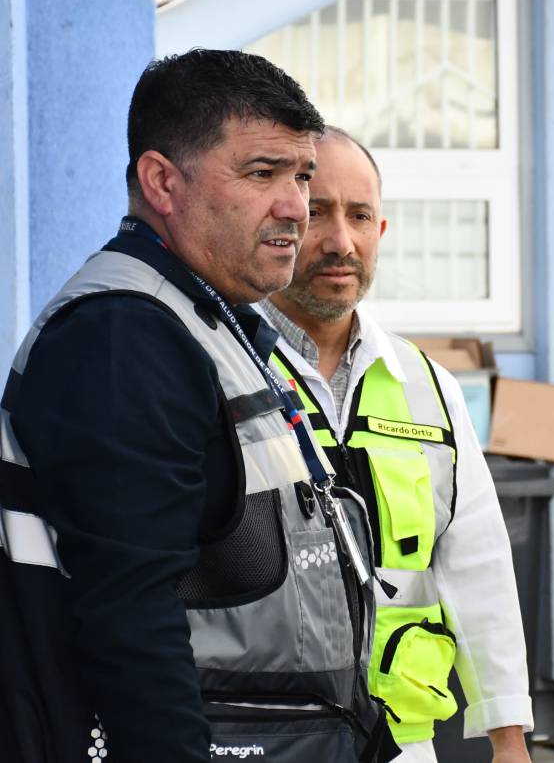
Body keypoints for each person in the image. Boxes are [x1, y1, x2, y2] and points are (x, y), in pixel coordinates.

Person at [0, 49, 385, 761]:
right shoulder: (122, 337)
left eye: (300, 175)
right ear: (162, 182)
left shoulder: (208, 321)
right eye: (262, 173)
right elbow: (129, 616)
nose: (296, 206)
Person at [260, 126, 534, 763]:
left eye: (359, 216)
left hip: (404, 740)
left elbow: (478, 565)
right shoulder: (227, 367)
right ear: (283, 225)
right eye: (318, 212)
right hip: (265, 733)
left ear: (380, 232)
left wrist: (510, 738)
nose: (340, 242)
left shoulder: (427, 385)